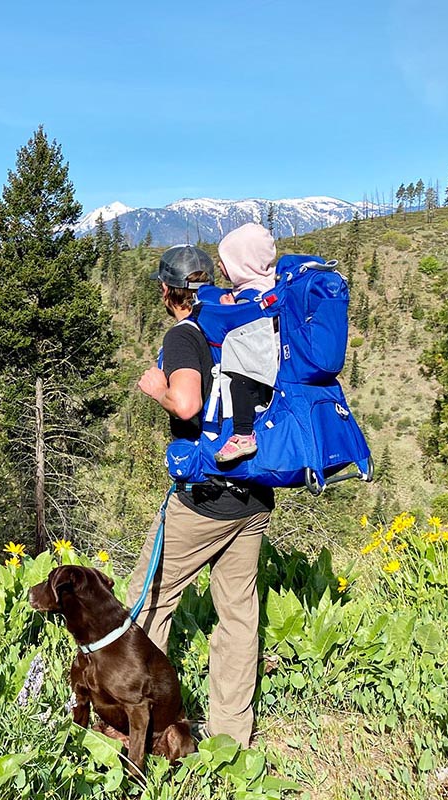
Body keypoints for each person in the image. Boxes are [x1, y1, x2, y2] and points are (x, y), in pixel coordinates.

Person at [130, 243, 274, 748]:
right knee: (238, 613)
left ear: (168, 290)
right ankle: (231, 739)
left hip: (203, 498)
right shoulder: (243, 324)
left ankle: (139, 723)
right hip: (254, 493)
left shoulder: (185, 335)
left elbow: (187, 404)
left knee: (150, 599)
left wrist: (157, 389)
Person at [211, 223, 278, 463]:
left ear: (243, 263)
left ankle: (242, 435)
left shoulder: (252, 295)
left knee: (239, 384)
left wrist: (230, 310)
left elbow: (241, 326)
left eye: (226, 261)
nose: (220, 265)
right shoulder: (269, 285)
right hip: (269, 362)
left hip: (254, 362)